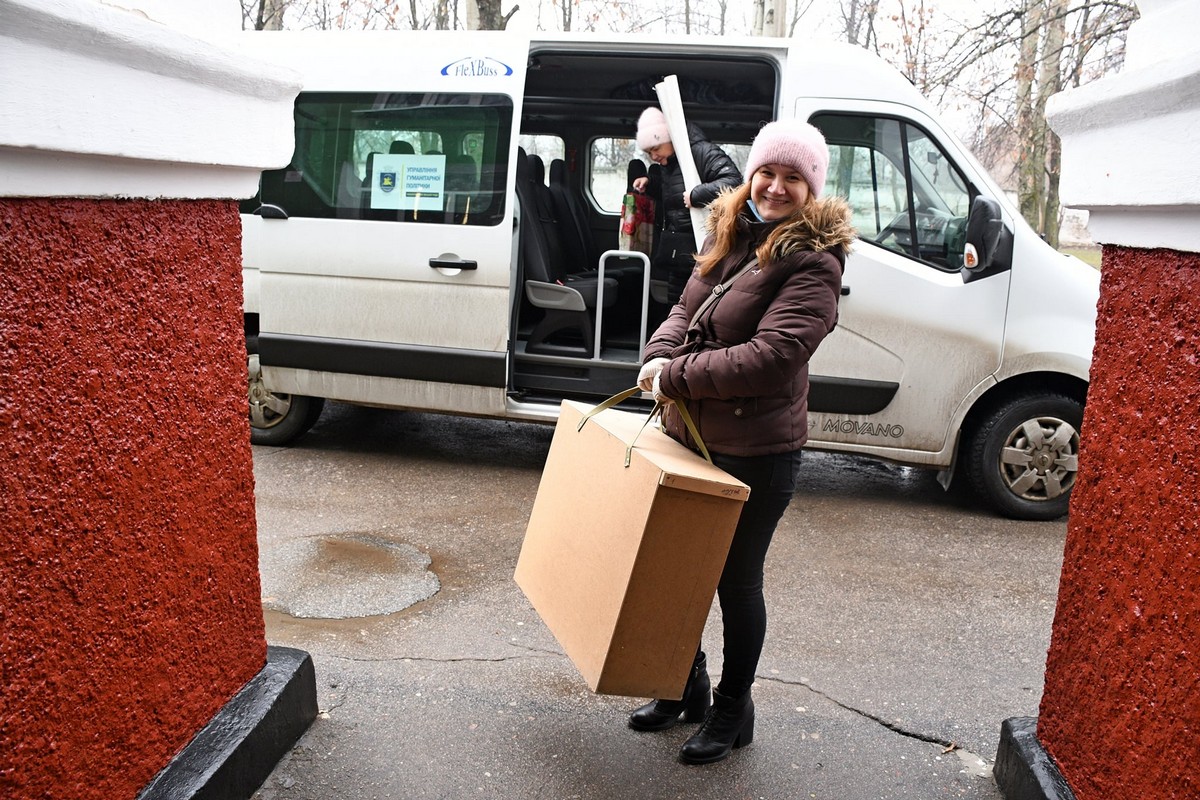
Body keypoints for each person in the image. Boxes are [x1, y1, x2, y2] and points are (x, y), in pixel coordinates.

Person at [631, 120, 855, 765]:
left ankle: (733, 711)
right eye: (768, 172)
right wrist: (659, 352)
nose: (776, 186)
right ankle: (685, 688)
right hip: (693, 435)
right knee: (679, 572)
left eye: (793, 177)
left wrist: (673, 376)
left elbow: (773, 357)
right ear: (751, 173)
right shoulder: (730, 231)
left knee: (734, 581)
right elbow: (686, 308)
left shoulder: (815, 261)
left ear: (812, 189)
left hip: (757, 451)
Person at [632, 106, 742, 304]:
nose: (653, 157)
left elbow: (734, 182)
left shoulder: (701, 152)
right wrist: (650, 184)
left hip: (702, 251)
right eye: (649, 153)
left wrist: (696, 194)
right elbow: (675, 198)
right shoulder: (670, 164)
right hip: (680, 254)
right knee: (677, 309)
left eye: (656, 148)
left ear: (670, 137)